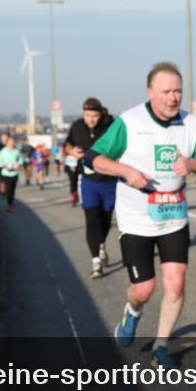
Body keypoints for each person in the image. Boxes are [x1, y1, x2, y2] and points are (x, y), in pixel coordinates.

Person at [88, 62, 196, 369]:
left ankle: (161, 347)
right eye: (166, 92)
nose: (173, 98)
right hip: (137, 220)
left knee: (175, 284)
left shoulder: (190, 123)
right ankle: (132, 312)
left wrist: (195, 165)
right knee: (144, 289)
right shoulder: (129, 122)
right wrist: (127, 171)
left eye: (178, 91)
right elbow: (94, 158)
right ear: (150, 93)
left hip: (174, 216)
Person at [65, 98, 118, 279]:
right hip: (88, 181)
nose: (91, 119)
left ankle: (101, 245)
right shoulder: (77, 126)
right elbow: (67, 144)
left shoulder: (112, 125)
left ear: (101, 114)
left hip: (110, 180)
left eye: (94, 116)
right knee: (92, 219)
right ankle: (96, 261)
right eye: (87, 115)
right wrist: (71, 151)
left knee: (105, 220)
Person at [0, 136, 24, 213]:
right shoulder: (3, 151)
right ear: (6, 143)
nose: (11, 143)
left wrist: (18, 164)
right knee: (6, 189)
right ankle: (7, 203)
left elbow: (21, 160)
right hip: (5, 173)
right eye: (10, 142)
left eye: (13, 142)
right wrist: (4, 165)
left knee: (12, 189)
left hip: (14, 173)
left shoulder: (16, 151)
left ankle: (10, 202)